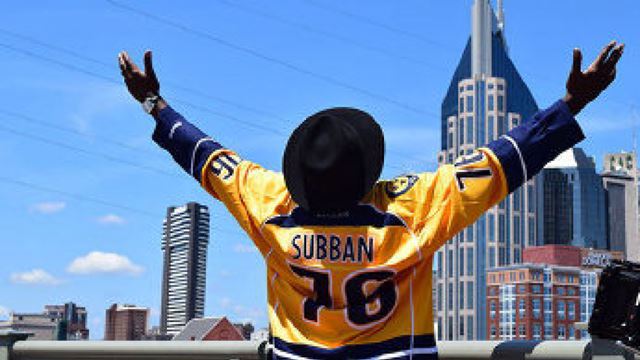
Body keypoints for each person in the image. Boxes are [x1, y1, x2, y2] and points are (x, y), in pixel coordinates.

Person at [118, 40, 624, 359]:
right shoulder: (409, 211)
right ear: (369, 171)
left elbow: (204, 155)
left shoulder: (269, 205)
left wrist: (153, 104)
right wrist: (572, 104)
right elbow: (503, 161)